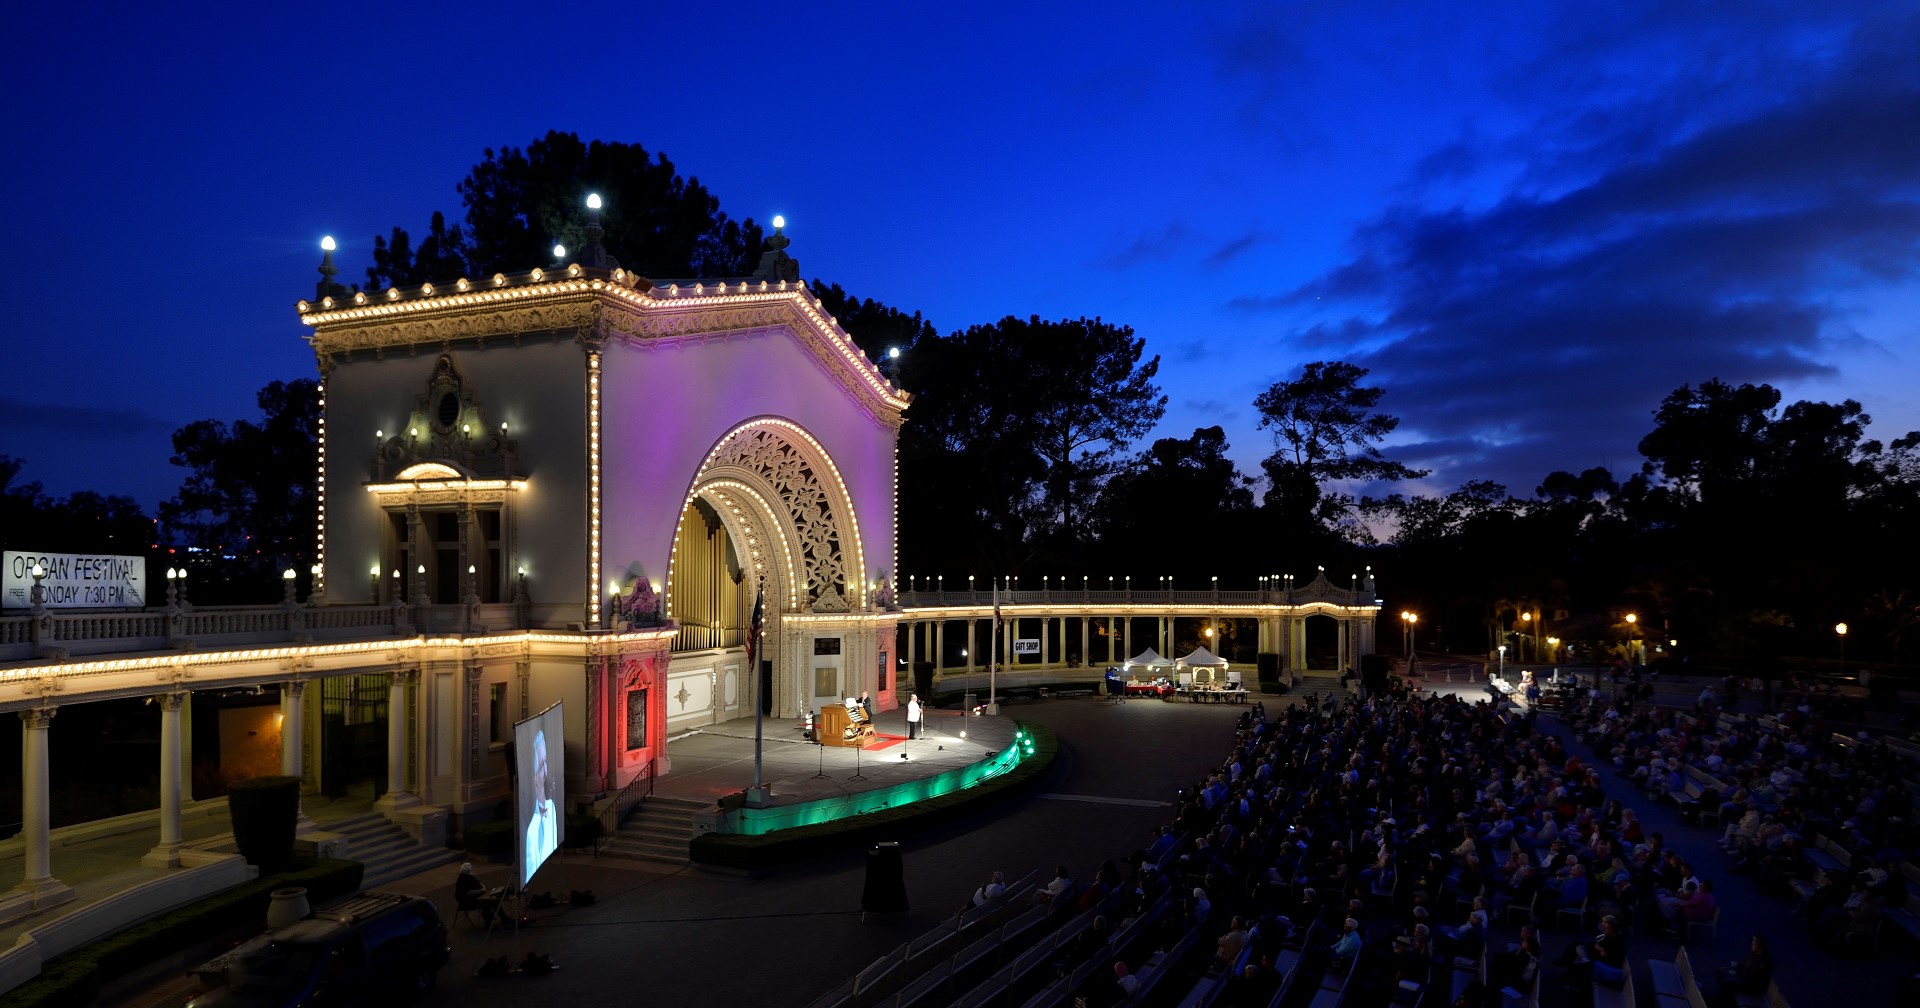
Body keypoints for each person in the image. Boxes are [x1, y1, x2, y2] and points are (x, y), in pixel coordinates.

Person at [523, 728, 559, 878]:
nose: (545, 770)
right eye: (540, 766)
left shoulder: (551, 808)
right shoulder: (531, 830)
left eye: (545, 762)